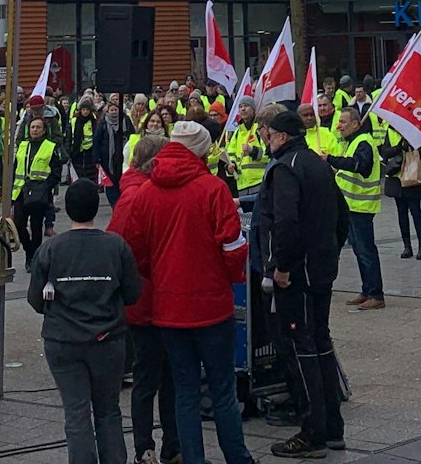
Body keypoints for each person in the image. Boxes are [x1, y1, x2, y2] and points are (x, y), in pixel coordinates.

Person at [110, 121, 253, 464]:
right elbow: (234, 247)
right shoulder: (213, 189)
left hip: (168, 308)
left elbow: (134, 250)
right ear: (201, 151)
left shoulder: (146, 193)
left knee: (184, 390)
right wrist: (226, 276)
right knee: (222, 389)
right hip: (212, 304)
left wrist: (159, 273)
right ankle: (237, 457)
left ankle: (191, 457)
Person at [30, 179, 140, 464]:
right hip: (108, 339)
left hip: (63, 340)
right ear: (95, 208)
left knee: (76, 412)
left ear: (68, 209)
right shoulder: (116, 246)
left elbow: (35, 299)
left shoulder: (51, 249)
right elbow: (132, 294)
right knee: (108, 410)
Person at [255, 108, 344, 459]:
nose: (266, 139)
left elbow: (284, 222)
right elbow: (341, 214)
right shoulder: (318, 164)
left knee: (301, 344)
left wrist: (281, 266)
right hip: (322, 268)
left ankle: (313, 432)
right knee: (321, 341)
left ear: (280, 136)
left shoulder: (285, 168)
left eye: (269, 134)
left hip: (298, 273)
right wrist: (330, 251)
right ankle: (332, 427)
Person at [114, 134, 179, 464]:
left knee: (168, 378)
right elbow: (120, 249)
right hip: (146, 300)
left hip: (160, 299)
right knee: (148, 379)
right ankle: (145, 448)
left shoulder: (138, 192)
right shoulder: (136, 197)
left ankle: (171, 446)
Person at [328, 106, 385, 311]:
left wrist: (331, 159)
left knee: (366, 251)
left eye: (343, 122)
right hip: (351, 206)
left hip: (361, 206)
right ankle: (367, 290)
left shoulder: (363, 142)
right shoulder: (353, 142)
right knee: (360, 251)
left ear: (355, 124)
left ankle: (376, 294)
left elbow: (361, 166)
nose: (339, 126)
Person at [14, 117, 62, 270]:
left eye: (38, 127)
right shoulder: (23, 145)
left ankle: (33, 257)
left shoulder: (50, 147)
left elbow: (56, 171)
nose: (34, 130)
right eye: (32, 127)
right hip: (21, 190)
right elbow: (16, 167)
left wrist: (46, 187)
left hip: (39, 192)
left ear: (44, 130)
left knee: (36, 226)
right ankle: (29, 250)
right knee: (19, 224)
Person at [379, 114, 421, 260]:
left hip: (412, 178)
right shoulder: (390, 131)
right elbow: (385, 152)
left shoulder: (415, 131)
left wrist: (412, 144)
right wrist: (399, 147)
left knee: (416, 212)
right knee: (402, 214)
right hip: (396, 178)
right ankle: (407, 246)